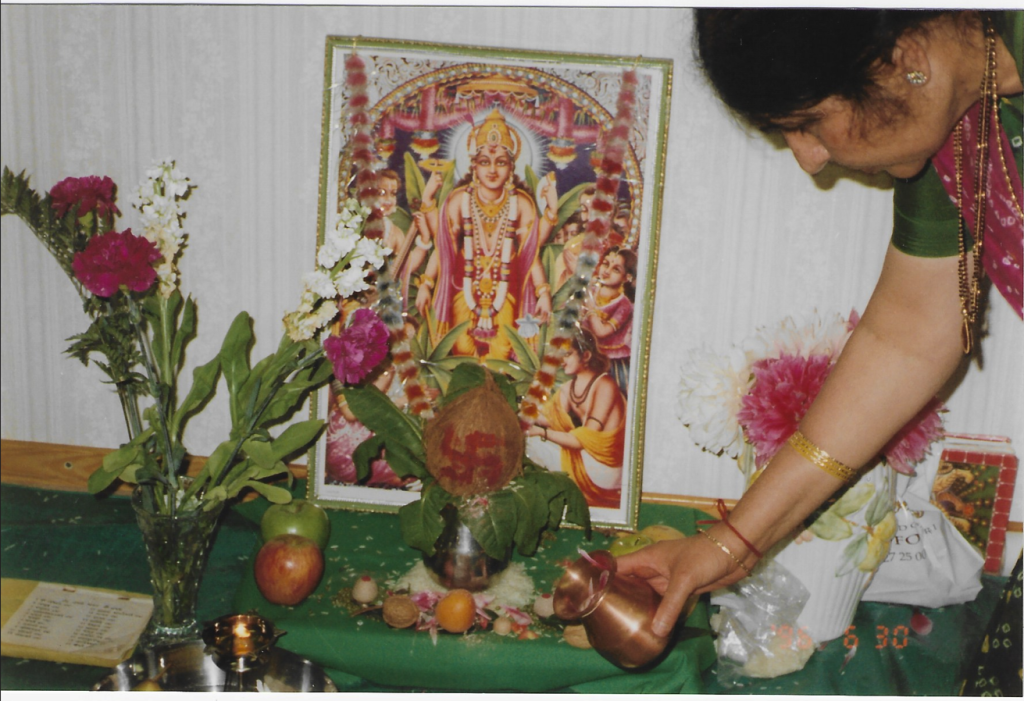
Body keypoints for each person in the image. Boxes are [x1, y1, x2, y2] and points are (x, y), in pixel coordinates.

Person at [617, 9, 1022, 671]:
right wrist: (731, 543)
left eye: (809, 122)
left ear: (904, 58)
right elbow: (907, 337)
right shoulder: (955, 121)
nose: (810, 160)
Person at [414, 109, 554, 360]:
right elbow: (443, 248)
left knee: (502, 354)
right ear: (474, 166)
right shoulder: (459, 200)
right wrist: (426, 284)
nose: (492, 170)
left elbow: (530, 254)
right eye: (484, 162)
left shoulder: (521, 204)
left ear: (511, 167)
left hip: (507, 290)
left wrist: (542, 292)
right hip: (463, 287)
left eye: (500, 162)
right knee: (461, 352)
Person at [524, 329, 625, 508]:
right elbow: (550, 420)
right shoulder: (568, 388)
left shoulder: (605, 385)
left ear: (586, 355)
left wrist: (540, 432)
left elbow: (582, 440)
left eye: (567, 354)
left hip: (605, 470)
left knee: (532, 443)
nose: (561, 361)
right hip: (585, 460)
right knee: (526, 439)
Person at [582, 245, 637, 397]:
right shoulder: (592, 290)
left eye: (616, 269)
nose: (606, 271)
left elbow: (601, 332)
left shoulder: (624, 305)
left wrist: (591, 309)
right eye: (605, 264)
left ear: (627, 277)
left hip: (610, 363)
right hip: (586, 356)